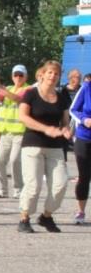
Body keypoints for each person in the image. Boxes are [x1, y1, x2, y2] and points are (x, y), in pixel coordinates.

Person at [16, 60, 71, 233]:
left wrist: (66, 131)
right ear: (42, 74)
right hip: (32, 145)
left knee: (60, 184)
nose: (53, 76)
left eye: (56, 74)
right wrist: (46, 129)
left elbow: (65, 122)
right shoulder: (31, 94)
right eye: (50, 73)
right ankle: (24, 218)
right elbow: (23, 117)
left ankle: (46, 216)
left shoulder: (62, 98)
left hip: (55, 147)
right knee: (33, 186)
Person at [0, 65, 30, 199]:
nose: (18, 77)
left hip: (20, 131)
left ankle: (18, 189)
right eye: (16, 75)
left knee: (15, 160)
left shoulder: (28, 89)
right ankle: (1, 190)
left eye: (21, 75)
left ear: (26, 76)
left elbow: (18, 98)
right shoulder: (8, 88)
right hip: (6, 131)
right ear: (12, 76)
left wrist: (1, 88)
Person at [69, 72, 91, 224]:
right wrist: (84, 120)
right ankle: (81, 211)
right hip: (84, 138)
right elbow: (73, 109)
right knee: (84, 176)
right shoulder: (86, 88)